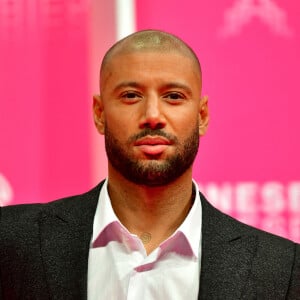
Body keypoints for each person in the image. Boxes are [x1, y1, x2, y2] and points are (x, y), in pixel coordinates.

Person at [0, 30, 299, 300]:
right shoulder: (11, 242)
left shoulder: (282, 269)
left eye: (173, 96)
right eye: (131, 96)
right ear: (100, 113)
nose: (153, 115)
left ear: (202, 115)